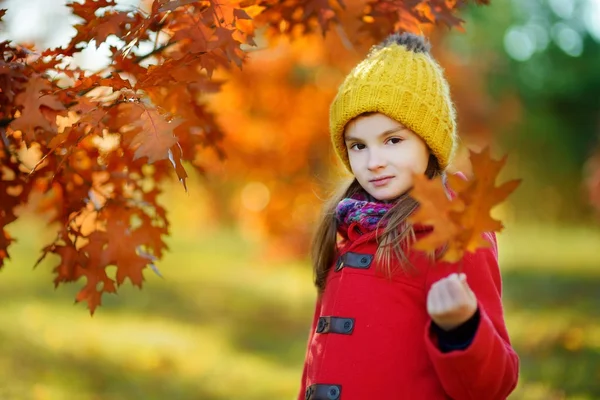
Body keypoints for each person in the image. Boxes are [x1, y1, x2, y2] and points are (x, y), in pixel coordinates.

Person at [298, 32, 519, 400]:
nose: (374, 161)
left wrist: (462, 328)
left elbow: (493, 385)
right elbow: (318, 362)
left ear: (429, 143)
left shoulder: (454, 232)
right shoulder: (348, 229)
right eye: (358, 146)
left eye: (393, 140)